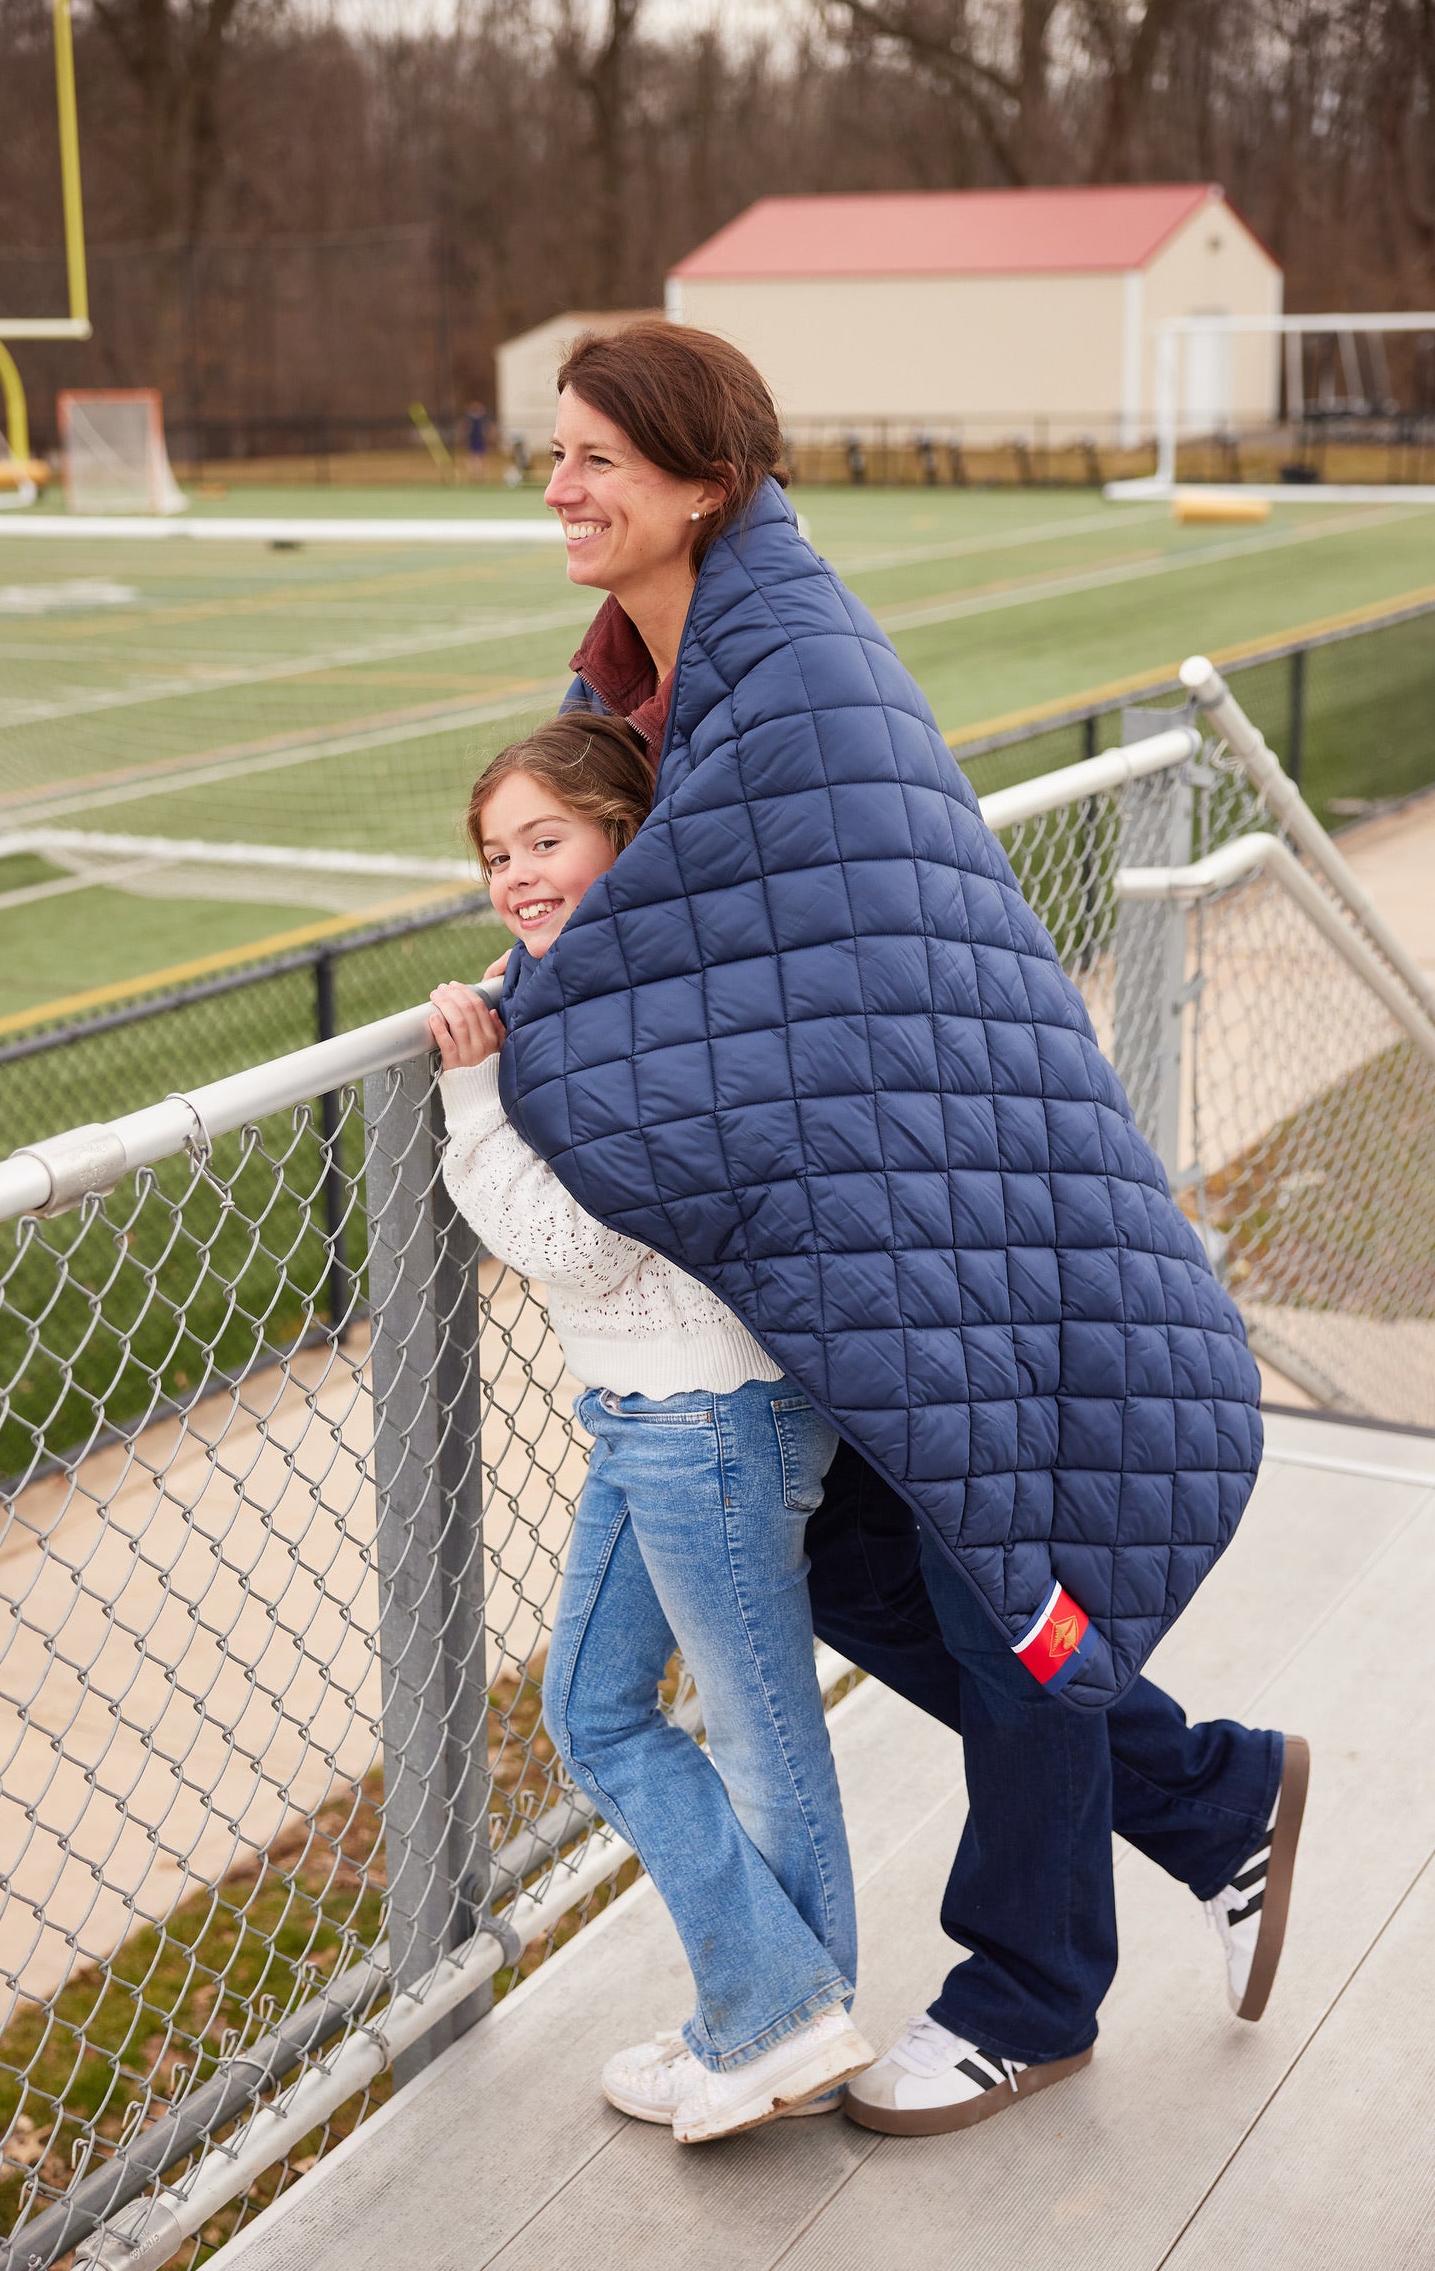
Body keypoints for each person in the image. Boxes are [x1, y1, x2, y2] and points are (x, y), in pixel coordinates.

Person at [488, 318, 1311, 2138]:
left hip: (973, 1209)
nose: (559, 486)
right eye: (552, 454)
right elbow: (677, 909)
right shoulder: (659, 668)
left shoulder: (785, 663)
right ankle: (1205, 1796)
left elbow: (720, 928)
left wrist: (530, 1017)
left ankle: (1032, 1993)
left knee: (994, 1566)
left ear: (706, 481)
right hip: (898, 1206)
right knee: (869, 1561)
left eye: (598, 459)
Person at [427, 713, 875, 2147]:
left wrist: (470, 1099)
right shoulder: (589, 983)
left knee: (757, 1734)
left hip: (711, 1413)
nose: (517, 873)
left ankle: (777, 2020)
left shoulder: (652, 1001)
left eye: (546, 840)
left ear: (623, 829)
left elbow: (566, 1237)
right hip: (650, 1413)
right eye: (497, 854)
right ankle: (779, 2009)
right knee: (594, 1709)